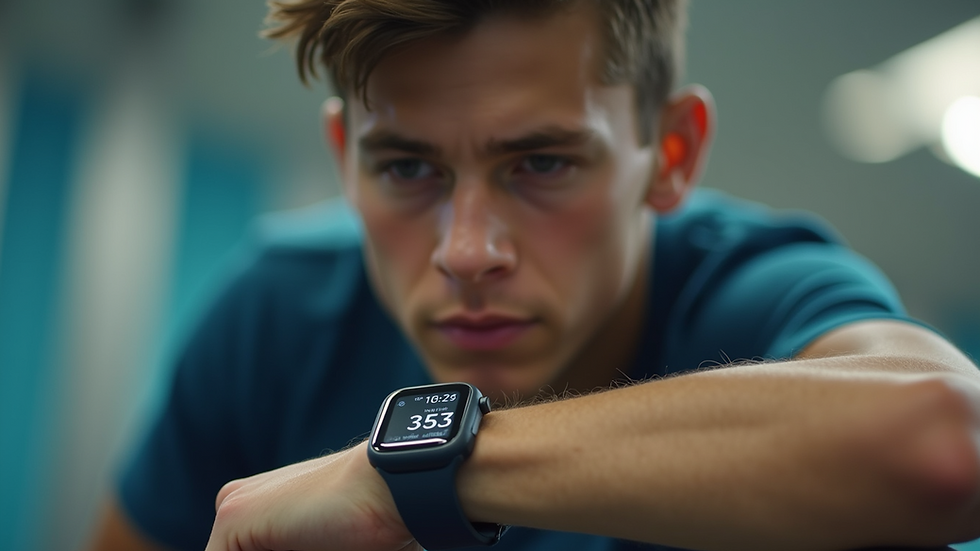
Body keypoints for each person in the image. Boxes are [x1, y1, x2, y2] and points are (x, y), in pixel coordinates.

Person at [88, 1, 980, 550]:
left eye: (541, 163)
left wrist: (402, 475)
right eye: (406, 168)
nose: (468, 251)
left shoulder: (746, 291)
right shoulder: (273, 314)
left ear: (671, 154)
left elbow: (951, 439)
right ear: (342, 159)